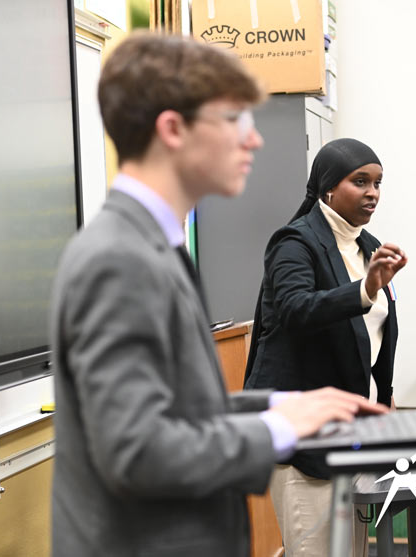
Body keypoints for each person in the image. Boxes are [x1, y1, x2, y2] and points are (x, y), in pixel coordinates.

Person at [49, 33, 389, 557]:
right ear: (173, 130)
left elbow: (179, 409)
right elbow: (136, 450)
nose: (253, 140)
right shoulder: (118, 260)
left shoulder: (156, 245)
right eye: (234, 120)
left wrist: (290, 402)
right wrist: (279, 425)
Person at [244, 138, 408, 555]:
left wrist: (383, 400)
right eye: (361, 181)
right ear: (328, 188)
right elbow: (296, 310)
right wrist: (365, 288)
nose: (373, 192)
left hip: (351, 431)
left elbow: (375, 337)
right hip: (306, 438)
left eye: (378, 183)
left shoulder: (367, 246)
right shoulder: (294, 243)